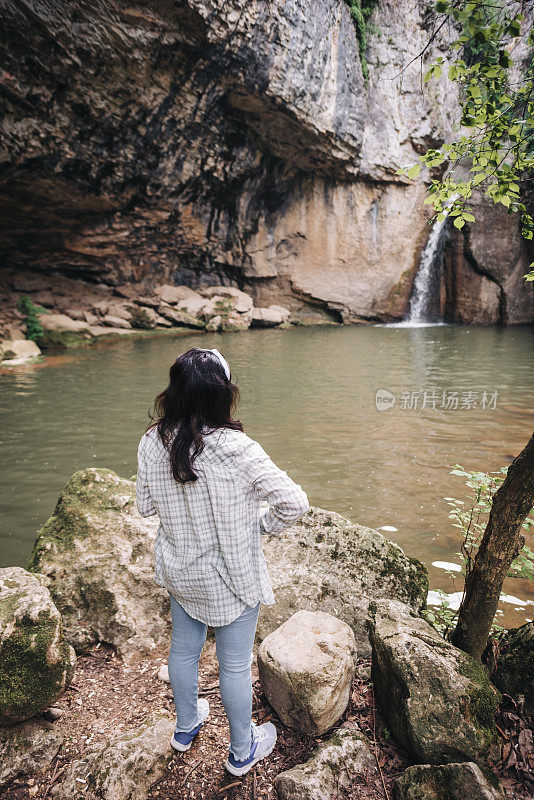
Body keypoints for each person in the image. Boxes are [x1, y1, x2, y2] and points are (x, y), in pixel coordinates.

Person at [136, 347, 309, 777]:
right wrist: (259, 527)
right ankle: (241, 750)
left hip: (181, 571)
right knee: (233, 665)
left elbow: (143, 506)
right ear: (223, 394)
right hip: (233, 575)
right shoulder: (237, 448)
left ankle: (186, 726)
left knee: (182, 651)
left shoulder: (151, 440)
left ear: (173, 391)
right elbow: (294, 503)